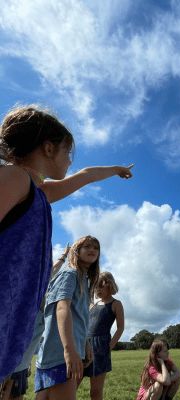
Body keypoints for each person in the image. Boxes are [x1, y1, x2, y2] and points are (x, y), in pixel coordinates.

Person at [0, 104, 133, 386]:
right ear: (49, 149)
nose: (71, 160)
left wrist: (115, 169)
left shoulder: (40, 191)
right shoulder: (15, 178)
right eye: (67, 152)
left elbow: (86, 175)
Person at [34, 236, 101, 400]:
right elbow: (62, 307)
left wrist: (84, 343)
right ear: (76, 251)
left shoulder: (83, 279)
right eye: (86, 246)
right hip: (59, 354)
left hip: (67, 352)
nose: (92, 249)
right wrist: (69, 349)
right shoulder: (69, 274)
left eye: (96, 247)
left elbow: (78, 317)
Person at [5, 243, 71, 400]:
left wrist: (63, 256)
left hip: (21, 367)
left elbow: (52, 271)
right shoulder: (17, 296)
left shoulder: (41, 305)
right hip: (8, 365)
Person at [77, 271, 125, 400]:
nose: (97, 289)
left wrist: (108, 347)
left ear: (109, 285)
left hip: (101, 349)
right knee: (72, 386)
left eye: (100, 286)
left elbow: (120, 328)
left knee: (95, 392)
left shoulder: (116, 304)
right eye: (95, 286)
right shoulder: (92, 304)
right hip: (84, 347)